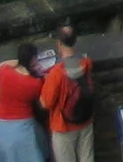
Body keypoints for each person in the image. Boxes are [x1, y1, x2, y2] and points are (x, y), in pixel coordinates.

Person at [37, 25, 95, 162]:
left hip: (63, 125)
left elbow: (46, 103)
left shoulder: (56, 73)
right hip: (85, 120)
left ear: (58, 43)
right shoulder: (87, 63)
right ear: (76, 41)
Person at [0, 44, 46, 162]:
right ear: (32, 62)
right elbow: (39, 98)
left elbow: (4, 63)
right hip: (24, 125)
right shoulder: (34, 83)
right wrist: (36, 69)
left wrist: (20, 62)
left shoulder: (5, 72)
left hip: (1, 123)